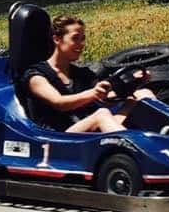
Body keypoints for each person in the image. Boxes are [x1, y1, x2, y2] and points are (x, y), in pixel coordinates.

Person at [24, 14, 155, 134]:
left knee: (141, 94)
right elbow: (60, 103)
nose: (81, 44)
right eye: (75, 38)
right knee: (101, 114)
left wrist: (133, 84)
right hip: (58, 137)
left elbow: (107, 97)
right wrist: (94, 93)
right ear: (57, 39)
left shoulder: (81, 73)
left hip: (88, 131)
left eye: (83, 39)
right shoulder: (37, 75)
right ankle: (144, 151)